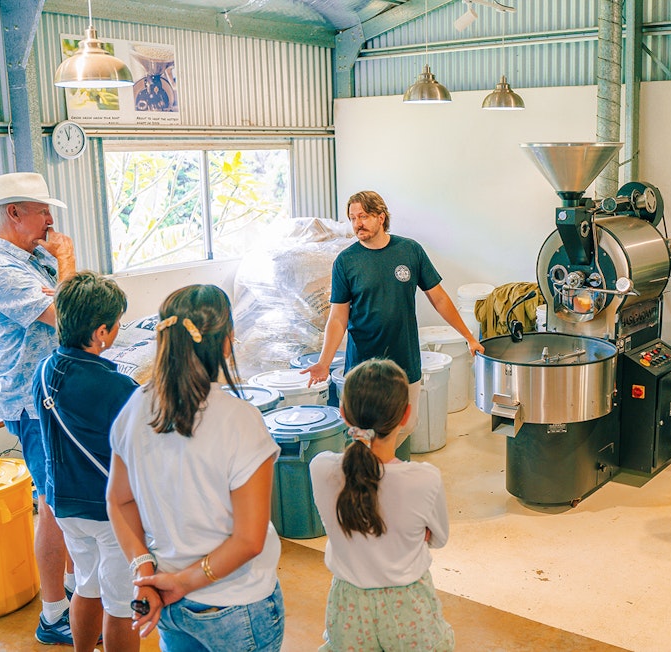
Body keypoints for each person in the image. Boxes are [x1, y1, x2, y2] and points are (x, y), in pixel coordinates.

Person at [106, 285, 284, 651]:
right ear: (226, 342)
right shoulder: (241, 420)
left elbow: (119, 502)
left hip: (167, 598)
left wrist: (145, 572)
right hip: (234, 604)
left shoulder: (136, 408)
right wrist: (185, 582)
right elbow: (249, 540)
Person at [0, 172, 77, 645]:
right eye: (41, 210)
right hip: (33, 404)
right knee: (53, 505)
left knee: (69, 501)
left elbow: (78, 304)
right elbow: (73, 316)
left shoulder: (35, 257)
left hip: (57, 394)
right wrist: (69, 258)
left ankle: (77, 592)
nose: (50, 220)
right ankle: (54, 614)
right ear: (13, 213)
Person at [301, 190, 484, 443]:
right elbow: (338, 318)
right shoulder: (346, 261)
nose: (357, 224)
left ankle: (385, 470)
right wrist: (324, 362)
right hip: (363, 363)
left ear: (381, 217)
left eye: (363, 216)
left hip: (403, 357)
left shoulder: (409, 251)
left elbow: (439, 298)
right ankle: (373, 475)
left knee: (407, 424)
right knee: (364, 431)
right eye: (352, 218)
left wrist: (468, 337)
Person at [309, 358, 453, 651]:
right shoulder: (424, 479)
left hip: (348, 605)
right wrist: (412, 533)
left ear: (343, 413)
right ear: (406, 415)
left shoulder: (321, 469)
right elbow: (438, 538)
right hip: (408, 604)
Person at [33, 272, 140, 652]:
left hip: (66, 506)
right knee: (123, 605)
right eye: (116, 325)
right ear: (101, 334)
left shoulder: (43, 372)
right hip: (109, 512)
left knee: (86, 585)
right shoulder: (119, 388)